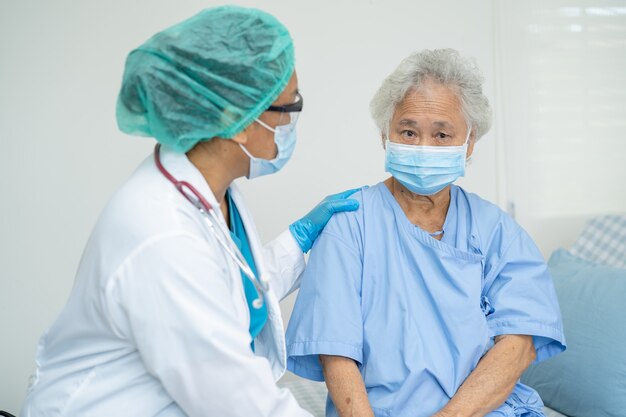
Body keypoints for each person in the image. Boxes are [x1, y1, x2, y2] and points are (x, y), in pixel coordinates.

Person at [20, 6, 359, 417]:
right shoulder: (161, 235)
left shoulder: (209, 188)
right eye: (290, 108)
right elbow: (240, 402)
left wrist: (299, 237)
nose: (292, 126)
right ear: (237, 121)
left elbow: (225, 286)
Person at [285, 49, 566, 417]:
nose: (423, 147)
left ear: (469, 142)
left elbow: (519, 344)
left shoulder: (497, 230)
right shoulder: (349, 223)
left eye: (442, 134)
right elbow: (335, 352)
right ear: (385, 135)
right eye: (408, 131)